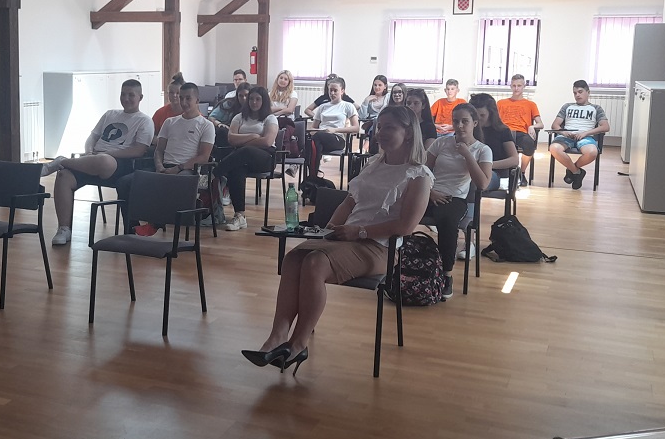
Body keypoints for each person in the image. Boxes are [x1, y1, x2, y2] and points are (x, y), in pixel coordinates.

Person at [241, 106, 432, 375]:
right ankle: (276, 337)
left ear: (409, 133)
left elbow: (406, 227)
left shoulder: (419, 174)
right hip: (348, 237)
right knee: (293, 258)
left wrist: (359, 232)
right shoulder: (373, 165)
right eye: (379, 127)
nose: (381, 133)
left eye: (389, 127)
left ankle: (298, 344)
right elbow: (349, 202)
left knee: (315, 263)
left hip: (381, 248)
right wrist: (329, 228)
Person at [44, 78, 155, 246]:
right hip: (93, 159)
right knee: (63, 176)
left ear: (140, 97)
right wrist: (89, 151)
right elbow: (92, 137)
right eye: (123, 94)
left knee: (104, 161)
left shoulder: (144, 120)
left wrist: (109, 154)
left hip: (120, 163)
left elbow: (139, 150)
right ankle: (64, 228)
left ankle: (62, 160)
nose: (126, 99)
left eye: (131, 95)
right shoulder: (110, 114)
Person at [117, 82, 215, 224]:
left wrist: (178, 168)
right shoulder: (170, 122)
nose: (183, 102)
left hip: (187, 169)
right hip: (164, 167)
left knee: (176, 182)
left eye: (188, 98)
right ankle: (131, 227)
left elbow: (203, 157)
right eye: (181, 98)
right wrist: (159, 166)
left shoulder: (206, 125)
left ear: (197, 100)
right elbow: (159, 150)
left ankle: (155, 222)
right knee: (124, 182)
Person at [424, 103, 491, 298]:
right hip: (429, 192)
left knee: (447, 221)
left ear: (474, 123)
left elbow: (483, 183)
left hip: (454, 197)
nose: (460, 126)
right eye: (456, 121)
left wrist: (467, 154)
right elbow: (422, 170)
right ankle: (401, 265)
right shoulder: (441, 143)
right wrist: (430, 192)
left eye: (465, 121)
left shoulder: (482, 150)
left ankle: (446, 275)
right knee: (400, 210)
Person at [216, 86, 280, 231]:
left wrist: (243, 141)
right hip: (240, 158)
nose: (254, 102)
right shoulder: (239, 117)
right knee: (236, 170)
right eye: (251, 99)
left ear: (264, 101)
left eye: (258, 99)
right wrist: (252, 136)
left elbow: (267, 141)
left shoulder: (270, 118)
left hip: (265, 158)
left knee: (245, 151)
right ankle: (240, 216)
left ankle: (215, 173)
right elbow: (231, 139)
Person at [549, 79, 609, 190]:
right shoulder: (567, 106)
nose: (577, 95)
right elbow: (555, 125)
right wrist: (563, 131)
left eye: (580, 92)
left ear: (588, 92)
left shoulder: (596, 108)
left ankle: (571, 170)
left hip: (586, 137)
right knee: (554, 148)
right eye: (575, 93)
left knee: (592, 152)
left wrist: (585, 133)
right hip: (567, 136)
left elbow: (605, 127)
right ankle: (577, 172)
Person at [306, 78, 360, 183]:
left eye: (335, 90)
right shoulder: (322, 107)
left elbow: (356, 128)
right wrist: (318, 131)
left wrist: (335, 130)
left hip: (337, 138)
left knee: (314, 141)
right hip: (320, 137)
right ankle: (314, 178)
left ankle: (313, 177)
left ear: (342, 91)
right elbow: (313, 128)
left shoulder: (348, 106)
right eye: (330, 90)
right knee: (314, 141)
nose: (332, 93)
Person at [497, 74, 543, 183]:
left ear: (524, 86)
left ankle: (521, 173)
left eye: (519, 86)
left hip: (521, 132)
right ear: (510, 86)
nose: (516, 88)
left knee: (529, 144)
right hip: (505, 131)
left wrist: (532, 126)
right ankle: (502, 171)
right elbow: (495, 119)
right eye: (514, 86)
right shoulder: (501, 103)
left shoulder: (530, 104)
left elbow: (540, 124)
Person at [468, 93, 519, 191]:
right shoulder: (467, 129)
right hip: (468, 171)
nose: (478, 119)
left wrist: (488, 165)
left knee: (473, 181)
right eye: (475, 115)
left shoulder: (502, 131)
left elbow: (514, 160)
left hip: (494, 173)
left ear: (491, 113)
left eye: (482, 115)